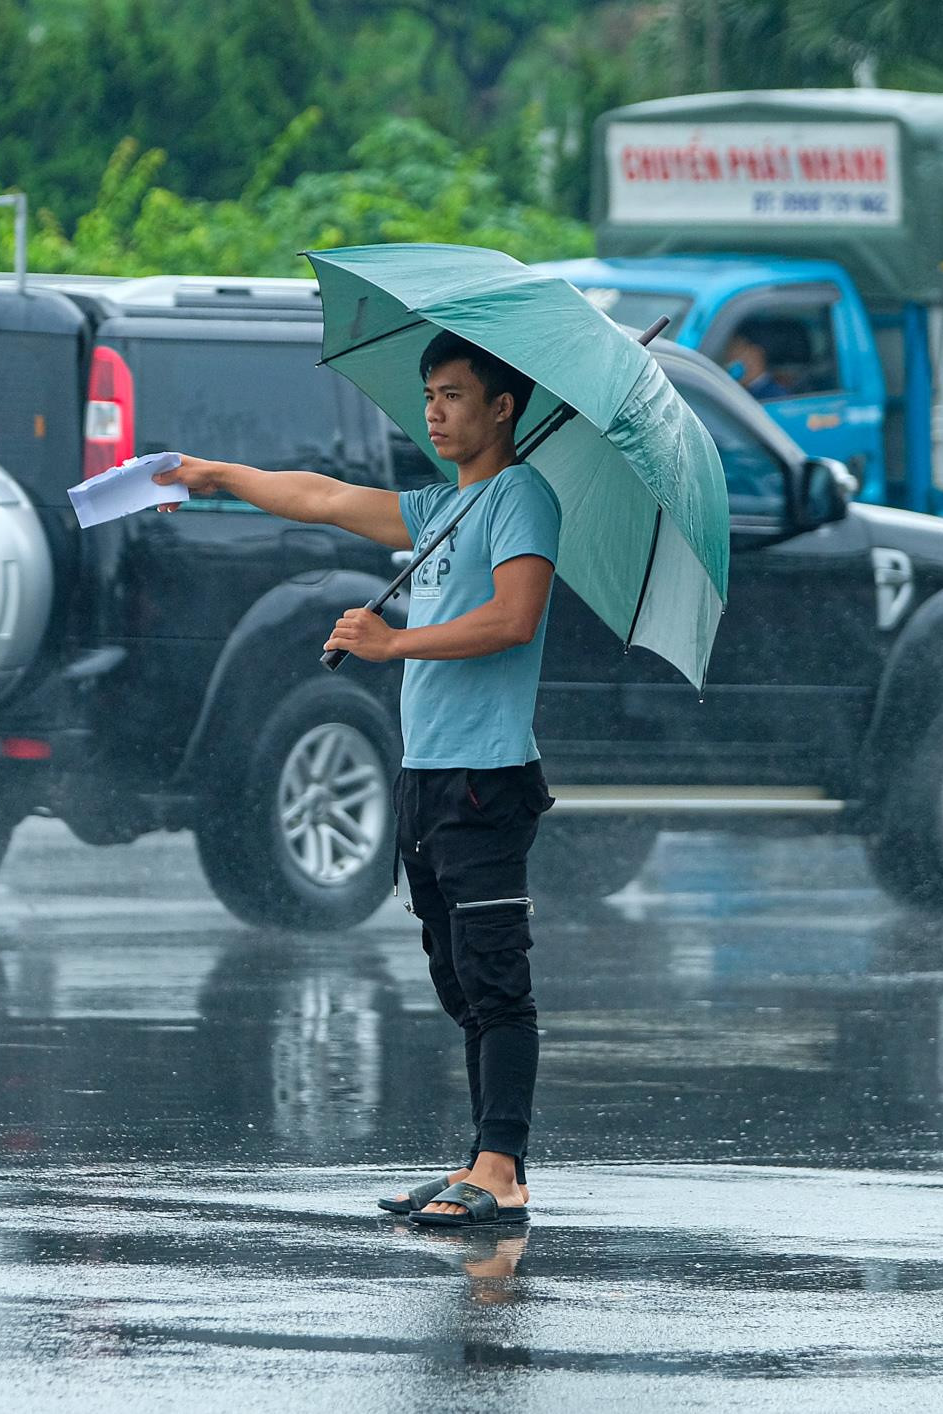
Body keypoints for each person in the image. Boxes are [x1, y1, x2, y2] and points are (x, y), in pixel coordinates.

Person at [156, 330, 562, 1228]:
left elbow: (514, 617)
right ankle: (480, 1159)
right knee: (456, 975)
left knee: (494, 976)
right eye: (428, 394)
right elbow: (322, 497)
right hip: (425, 777)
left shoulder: (520, 499)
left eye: (454, 394)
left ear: (502, 407)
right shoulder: (441, 510)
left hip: (483, 779)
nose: (434, 410)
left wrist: (393, 642)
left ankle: (501, 1168)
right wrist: (214, 474)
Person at [722, 323, 791, 401]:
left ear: (756, 353)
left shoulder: (774, 396)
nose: (729, 361)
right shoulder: (739, 391)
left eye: (735, 353)